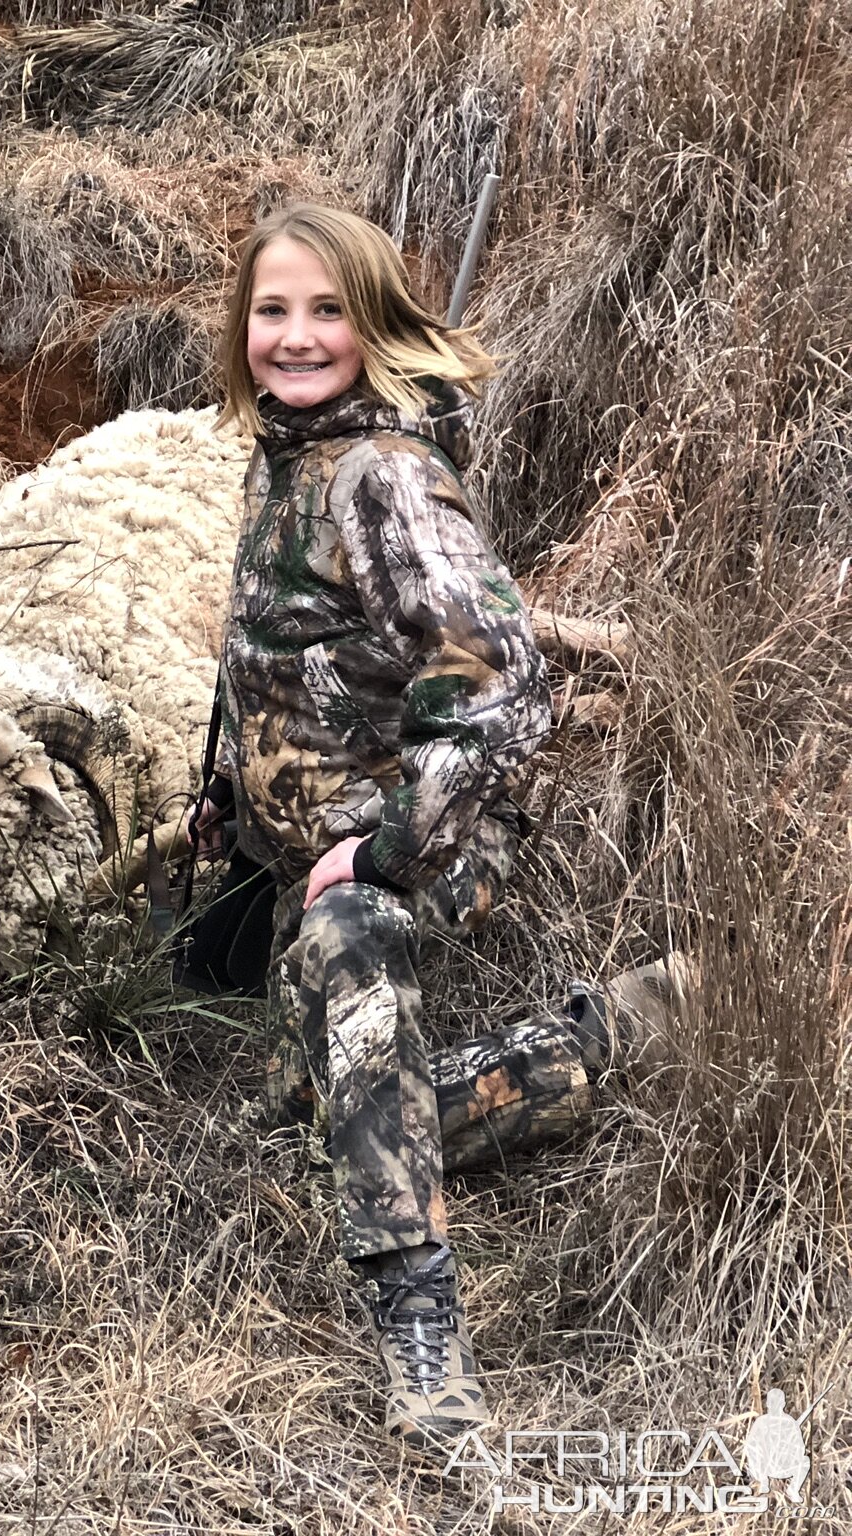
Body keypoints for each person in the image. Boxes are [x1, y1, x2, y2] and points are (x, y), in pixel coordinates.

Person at [188, 203, 678, 1448]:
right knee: (311, 1118)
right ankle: (618, 1028)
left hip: (406, 848)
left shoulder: (381, 476)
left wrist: (390, 848)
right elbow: (271, 651)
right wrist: (224, 792)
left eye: (323, 310)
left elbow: (506, 680)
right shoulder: (283, 454)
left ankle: (420, 1328)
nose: (294, 337)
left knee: (350, 957)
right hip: (291, 846)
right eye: (269, 310)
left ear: (370, 319)